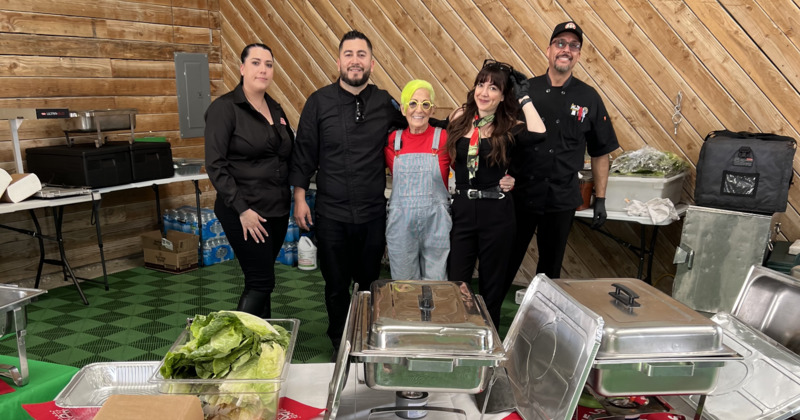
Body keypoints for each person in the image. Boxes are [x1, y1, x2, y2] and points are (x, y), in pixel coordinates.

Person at [289, 30, 406, 348]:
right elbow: (304, 152)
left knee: (369, 283)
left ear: (371, 62)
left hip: (371, 213)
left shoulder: (384, 102)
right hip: (332, 213)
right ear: (339, 60)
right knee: (336, 285)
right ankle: (339, 342)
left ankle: (367, 338)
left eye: (362, 55)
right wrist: (300, 198)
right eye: (349, 54)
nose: (355, 61)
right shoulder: (319, 102)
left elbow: (414, 125)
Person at [506, 21, 619, 282]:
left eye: (573, 45)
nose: (566, 49)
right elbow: (501, 139)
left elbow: (601, 152)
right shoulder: (525, 91)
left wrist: (600, 198)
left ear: (578, 54)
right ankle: (491, 317)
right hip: (520, 195)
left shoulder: (589, 97)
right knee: (506, 262)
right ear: (548, 50)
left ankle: (542, 322)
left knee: (550, 272)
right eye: (560, 43)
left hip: (561, 197)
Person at [447, 59, 546, 328]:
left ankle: (488, 338)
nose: (484, 92)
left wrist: (524, 96)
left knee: (493, 283)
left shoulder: (510, 126)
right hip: (463, 209)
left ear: (503, 96)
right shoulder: (459, 117)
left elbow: (539, 133)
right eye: (481, 84)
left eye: (493, 88)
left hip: (497, 213)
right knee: (457, 280)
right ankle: (460, 333)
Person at [204, 43, 294, 318]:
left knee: (262, 279)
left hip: (276, 210)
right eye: (256, 63)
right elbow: (215, 165)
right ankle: (241, 346)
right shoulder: (225, 109)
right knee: (260, 281)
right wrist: (243, 210)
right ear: (242, 68)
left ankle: (262, 338)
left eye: (268, 64)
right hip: (243, 211)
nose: (263, 69)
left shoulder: (276, 108)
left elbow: (288, 153)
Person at [384, 80, 451, 280]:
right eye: (412, 103)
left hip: (436, 223)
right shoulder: (392, 141)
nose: (418, 110)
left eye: (425, 104)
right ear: (403, 109)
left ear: (433, 109)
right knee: (404, 288)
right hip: (400, 225)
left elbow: (470, 169)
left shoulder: (445, 138)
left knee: (437, 287)